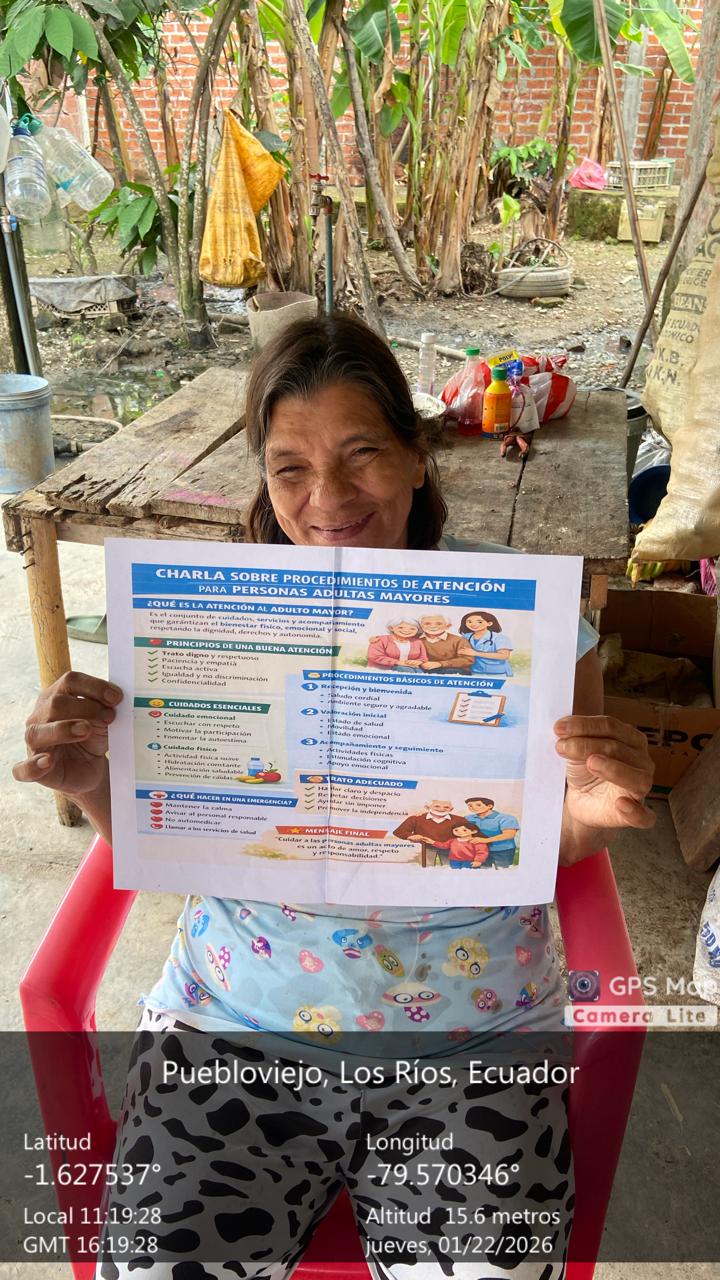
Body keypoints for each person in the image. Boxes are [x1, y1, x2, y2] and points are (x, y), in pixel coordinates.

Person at [13, 314, 656, 1280]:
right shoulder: (209, 617)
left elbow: (546, 837)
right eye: (291, 469)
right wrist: (96, 781)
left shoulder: (529, 621)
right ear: (266, 481)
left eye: (362, 454)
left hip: (467, 1045)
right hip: (235, 1030)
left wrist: (584, 816)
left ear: (417, 457)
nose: (328, 497)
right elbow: (175, 838)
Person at [392, 797, 464, 867]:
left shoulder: (459, 820)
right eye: (437, 806)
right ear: (427, 807)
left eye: (446, 807)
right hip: (425, 848)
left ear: (451, 809)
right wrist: (410, 836)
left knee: (450, 868)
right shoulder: (416, 818)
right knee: (424, 868)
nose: (441, 809)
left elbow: (469, 833)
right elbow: (399, 831)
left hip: (450, 849)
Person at [465, 795, 521, 869]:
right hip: (478, 850)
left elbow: (509, 834)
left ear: (489, 806)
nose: (473, 807)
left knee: (503, 870)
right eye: (470, 806)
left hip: (502, 850)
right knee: (480, 871)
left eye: (478, 805)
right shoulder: (467, 818)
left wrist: (485, 840)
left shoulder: (506, 818)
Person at [459, 610, 514, 677]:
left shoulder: (500, 638)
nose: (473, 624)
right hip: (474, 671)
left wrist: (476, 653)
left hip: (497, 673)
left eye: (479, 622)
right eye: (469, 622)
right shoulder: (466, 636)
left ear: (489, 623)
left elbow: (504, 656)